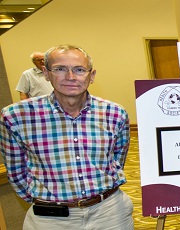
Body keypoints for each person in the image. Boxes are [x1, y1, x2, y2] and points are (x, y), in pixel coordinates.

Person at [0, 44, 133, 229]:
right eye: (60, 69)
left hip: (109, 213)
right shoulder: (17, 116)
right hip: (50, 218)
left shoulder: (114, 113)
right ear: (46, 73)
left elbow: (118, 158)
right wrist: (45, 199)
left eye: (79, 70)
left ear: (91, 76)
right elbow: (15, 170)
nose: (70, 77)